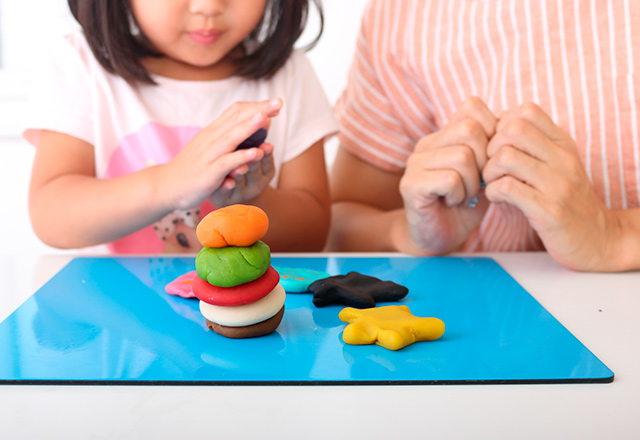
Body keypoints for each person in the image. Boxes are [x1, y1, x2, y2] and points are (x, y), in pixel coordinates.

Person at [328, 0, 640, 272]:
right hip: (491, 318)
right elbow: (341, 223)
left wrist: (616, 235)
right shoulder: (399, 16)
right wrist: (409, 234)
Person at [24, 0, 337, 254]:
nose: (208, 7)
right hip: (123, 317)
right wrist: (169, 185)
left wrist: (251, 201)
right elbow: (50, 214)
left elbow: (313, 234)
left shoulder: (290, 74)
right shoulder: (81, 63)